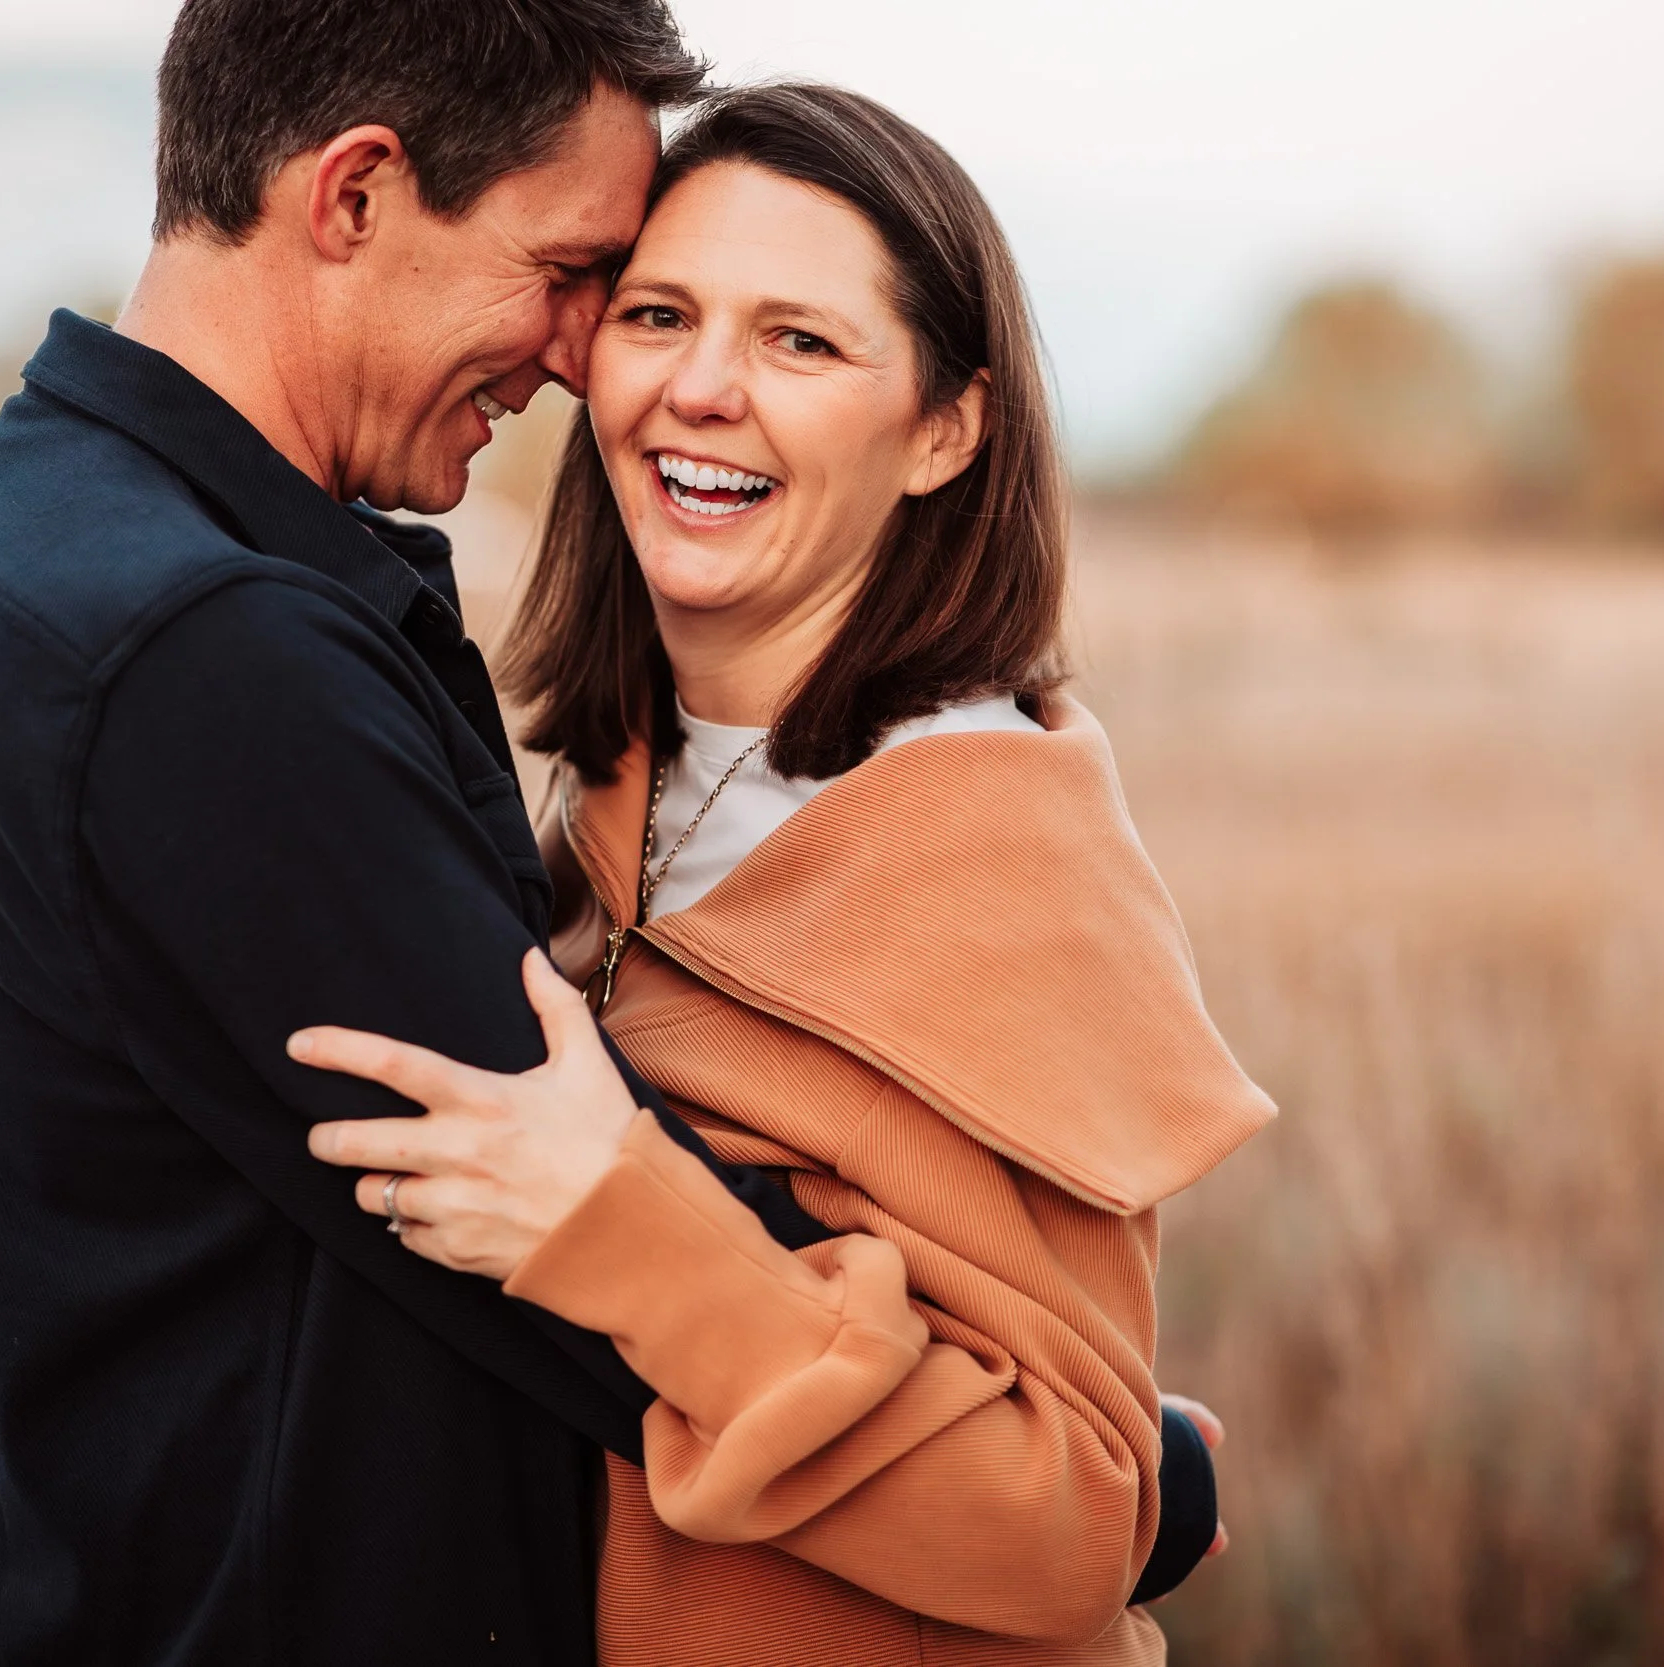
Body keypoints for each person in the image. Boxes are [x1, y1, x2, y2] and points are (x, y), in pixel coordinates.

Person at [0, 3, 1222, 1663]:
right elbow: (550, 1259)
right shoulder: (208, 650)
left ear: (948, 425)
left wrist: (1106, 1479)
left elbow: (629, 1239)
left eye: (803, 339)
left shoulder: (38, 529)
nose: (592, 359)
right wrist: (1155, 1478)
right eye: (603, 281)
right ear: (355, 197)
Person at [293, 83, 1275, 1664]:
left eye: (800, 342)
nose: (700, 389)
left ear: (946, 430)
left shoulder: (993, 858)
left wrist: (616, 1218)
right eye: (660, 313)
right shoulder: (621, 787)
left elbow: (1081, 1523)